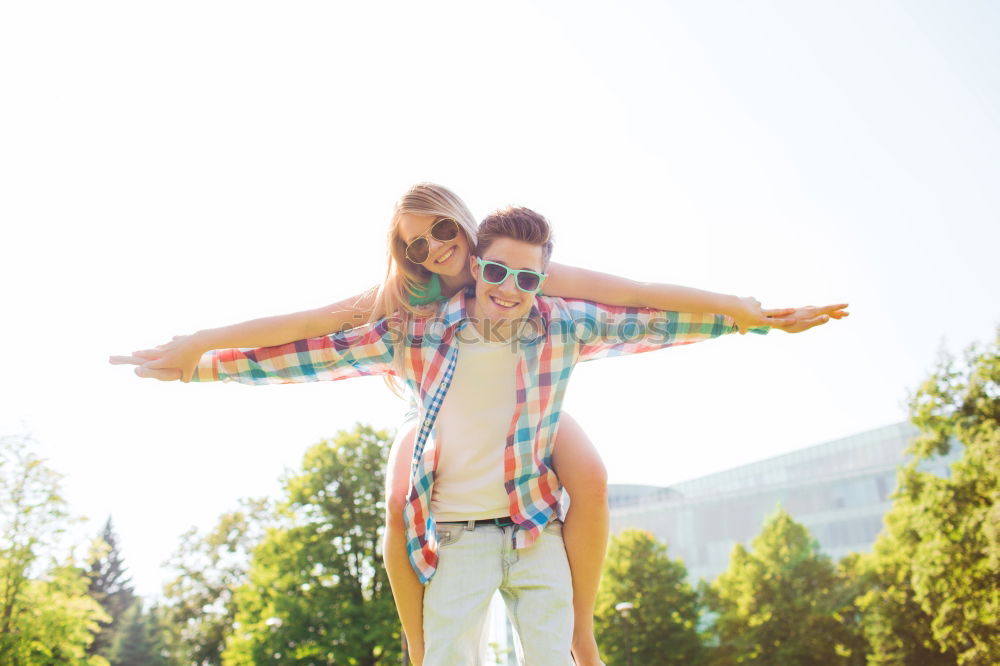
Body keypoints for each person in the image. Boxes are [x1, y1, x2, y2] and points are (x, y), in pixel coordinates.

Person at [112, 184, 847, 665]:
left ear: (465, 227)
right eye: (415, 247)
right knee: (403, 492)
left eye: (441, 234)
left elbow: (644, 301)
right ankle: (418, 643)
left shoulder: (535, 283)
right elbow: (304, 336)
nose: (434, 252)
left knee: (587, 473)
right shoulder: (406, 310)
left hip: (531, 407)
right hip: (431, 407)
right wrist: (200, 351)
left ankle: (580, 630)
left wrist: (749, 313)